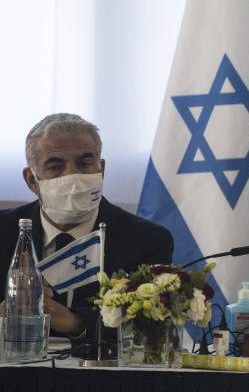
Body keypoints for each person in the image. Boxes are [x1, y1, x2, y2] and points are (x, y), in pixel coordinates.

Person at [0, 113, 174, 345]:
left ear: (100, 169)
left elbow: (151, 329)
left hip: (106, 378)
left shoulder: (147, 240)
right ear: (32, 180)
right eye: (55, 166)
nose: (72, 175)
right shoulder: (4, 231)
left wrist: (76, 323)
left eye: (84, 164)